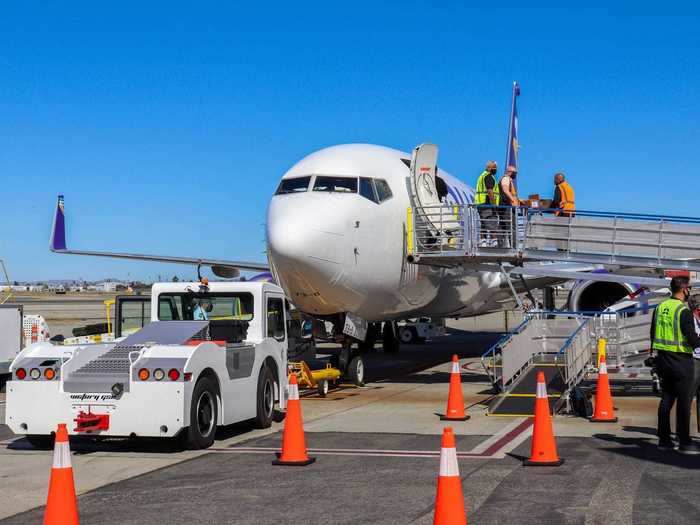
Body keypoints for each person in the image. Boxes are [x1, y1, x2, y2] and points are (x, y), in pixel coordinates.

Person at [650, 276, 700, 454]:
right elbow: (692, 339)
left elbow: (652, 333)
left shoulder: (660, 307)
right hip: (681, 360)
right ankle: (684, 441)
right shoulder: (683, 311)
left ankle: (664, 440)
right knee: (684, 401)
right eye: (689, 289)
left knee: (667, 399)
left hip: (663, 359)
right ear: (684, 289)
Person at [474, 161, 499, 246]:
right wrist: (494, 203)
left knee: (484, 223)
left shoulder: (482, 176)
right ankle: (493, 241)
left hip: (480, 203)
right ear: (489, 168)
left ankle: (483, 241)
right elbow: (490, 191)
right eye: (494, 168)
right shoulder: (488, 177)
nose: (495, 170)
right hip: (487, 203)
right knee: (492, 221)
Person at [497, 165, 521, 248]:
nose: (515, 174)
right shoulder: (506, 179)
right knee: (512, 227)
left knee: (503, 226)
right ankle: (514, 247)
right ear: (510, 172)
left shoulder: (508, 179)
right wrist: (513, 200)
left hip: (504, 206)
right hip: (506, 206)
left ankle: (500, 245)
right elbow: (505, 189)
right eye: (515, 173)